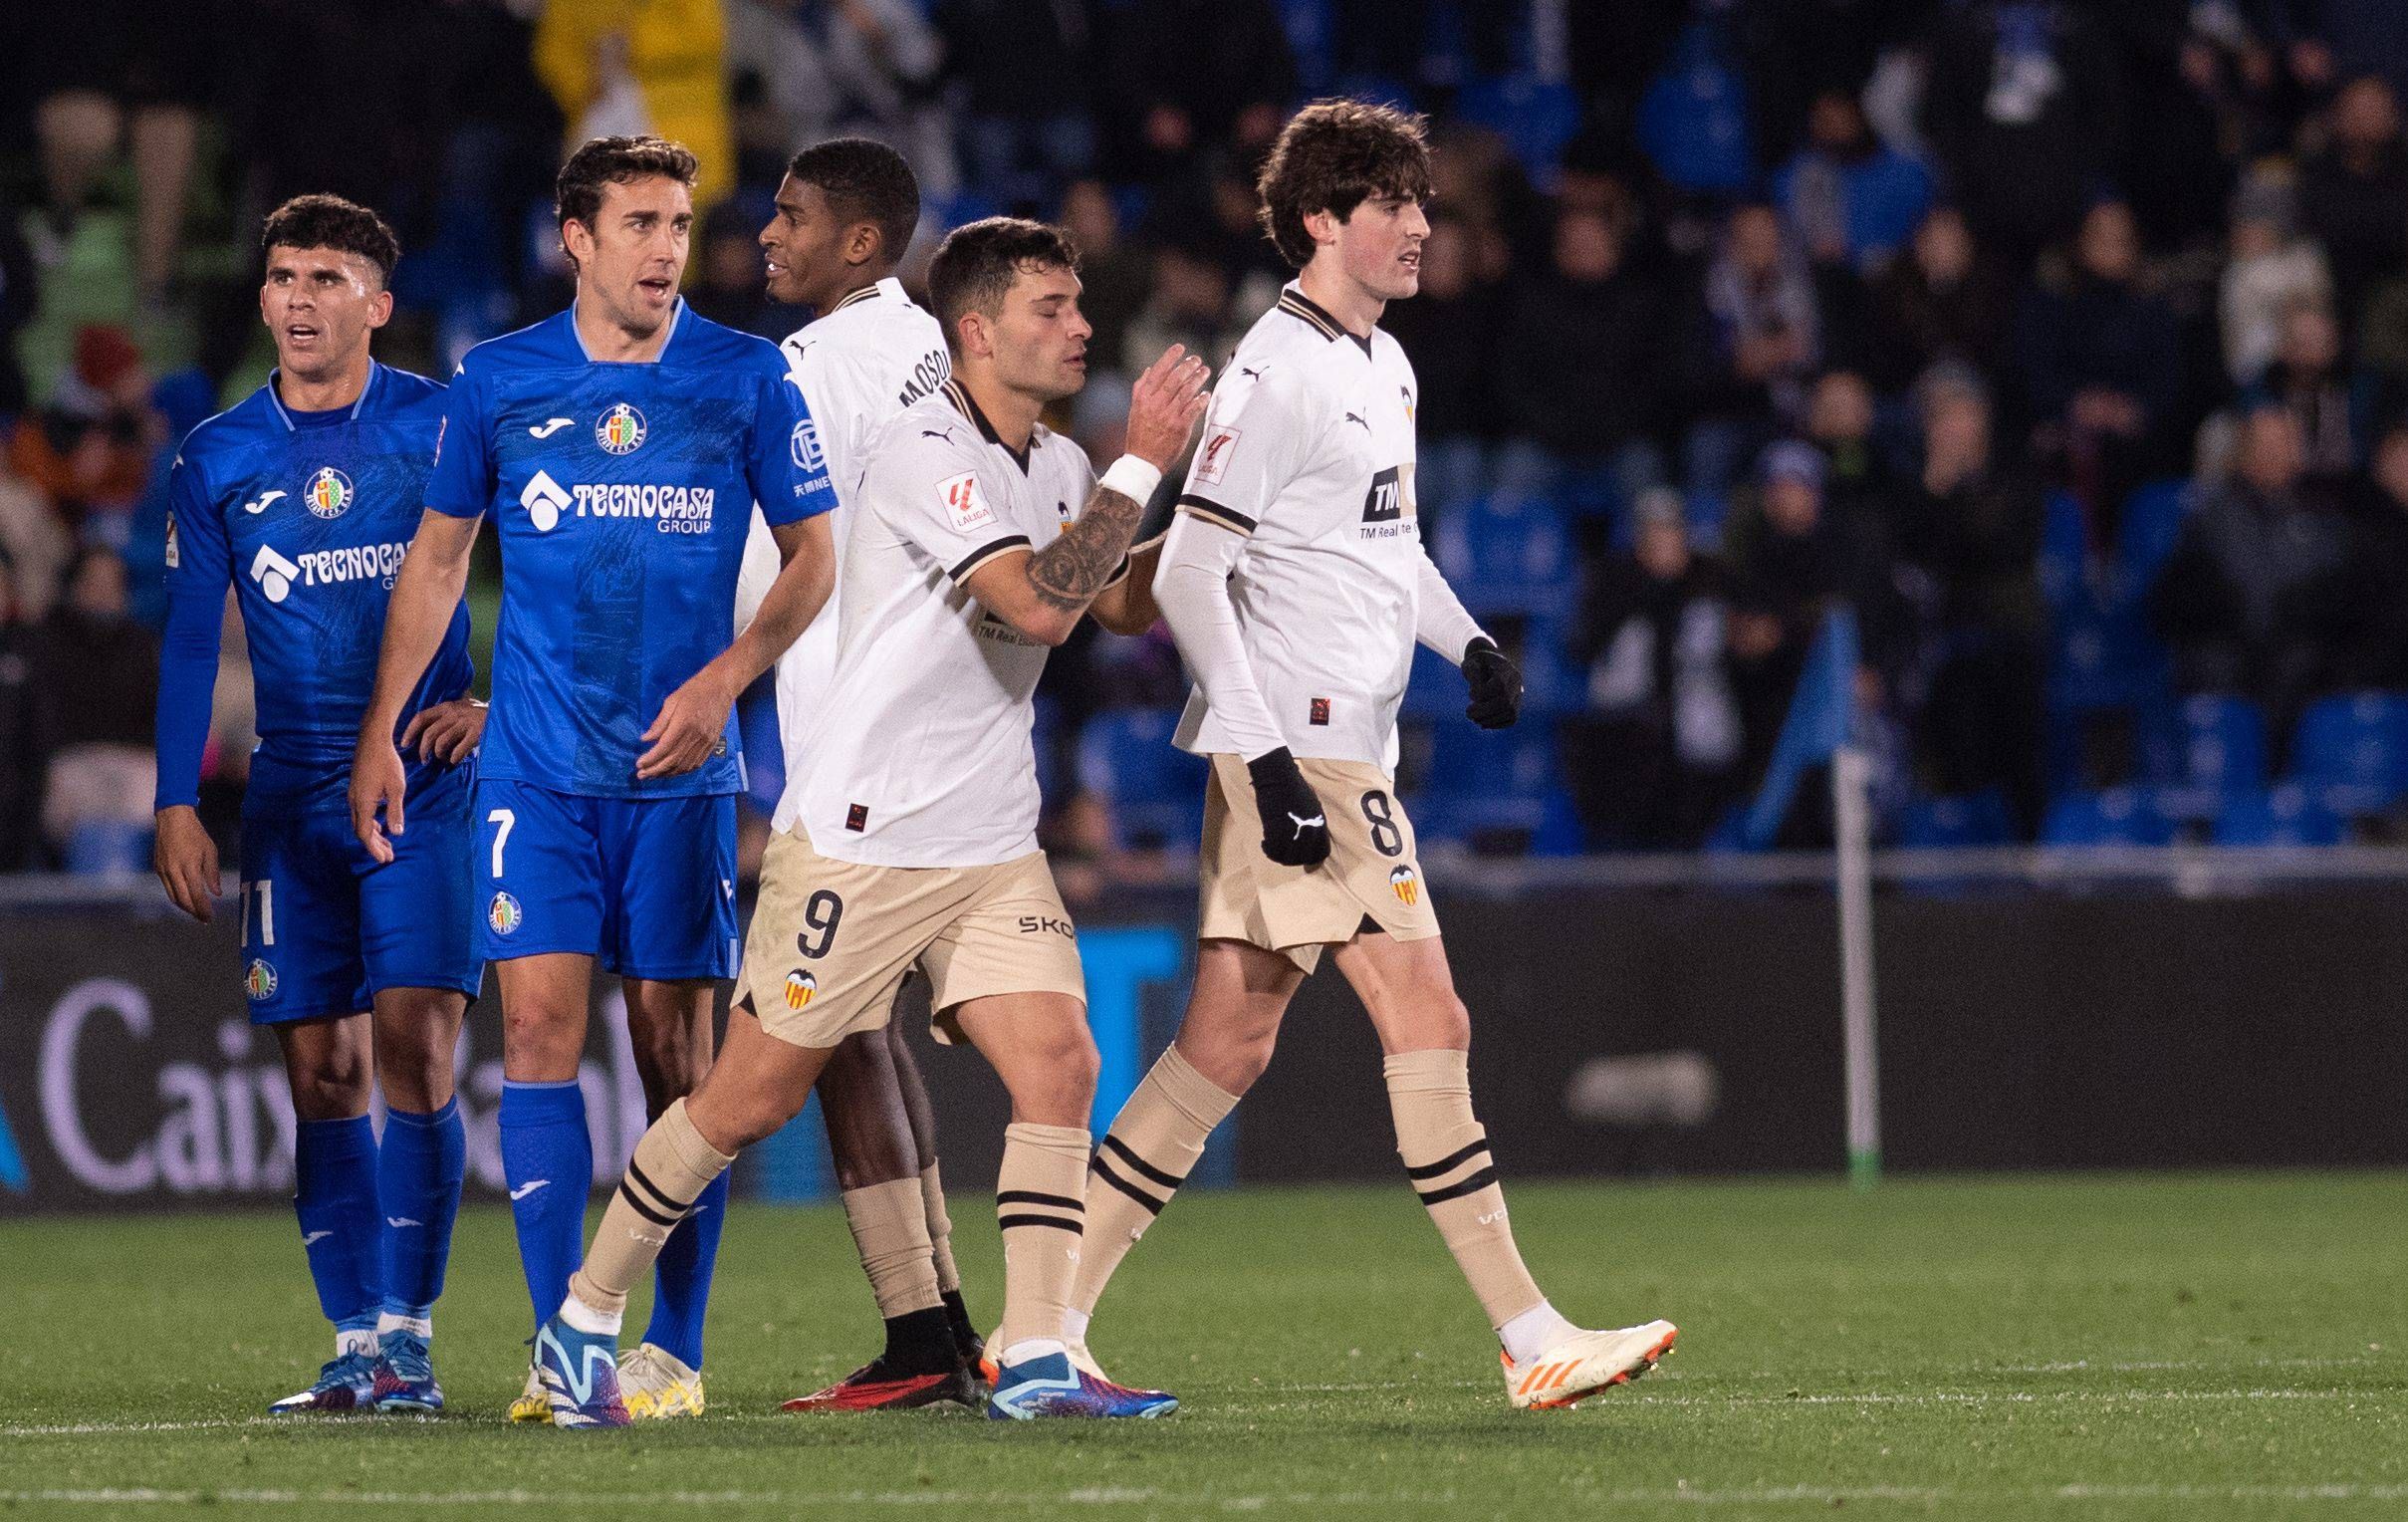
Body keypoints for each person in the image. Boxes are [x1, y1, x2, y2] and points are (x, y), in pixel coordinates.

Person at [529, 217, 1209, 1426]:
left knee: (1061, 1065)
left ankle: (1042, 1353)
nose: (1082, 327)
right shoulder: (918, 451)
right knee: (745, 1102)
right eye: (1053, 307)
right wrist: (1141, 464)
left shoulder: (1055, 465)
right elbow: (1038, 606)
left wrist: (1204, 500)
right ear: (979, 330)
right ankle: (579, 1325)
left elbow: (1117, 605)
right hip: (865, 834)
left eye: (1079, 306)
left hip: (990, 841)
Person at [1068, 100, 1677, 1411]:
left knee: (1223, 1044)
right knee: (1430, 1015)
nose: (1419, 222)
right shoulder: (1272, 371)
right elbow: (1187, 573)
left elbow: (1383, 548)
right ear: (1319, 224)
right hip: (1303, 757)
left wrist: (1465, 644)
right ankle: (1527, 1334)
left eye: (1421, 199)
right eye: (1392, 203)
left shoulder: (1381, 365)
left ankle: (1044, 1318)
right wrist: (1268, 762)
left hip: (1352, 751)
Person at [349, 135, 839, 1423]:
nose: (666, 249)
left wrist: (726, 680)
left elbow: (812, 563)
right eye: (638, 223)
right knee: (541, 1045)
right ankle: (565, 1351)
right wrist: (380, 734)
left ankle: (670, 1351)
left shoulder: (746, 376)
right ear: (576, 237)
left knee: (680, 1059)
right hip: (535, 779)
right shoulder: (496, 383)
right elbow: (439, 569)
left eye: (678, 223)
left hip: (681, 781)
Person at [150, 196, 483, 1413]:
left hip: (422, 783)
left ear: (379, 305)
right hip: (289, 799)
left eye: (328, 278)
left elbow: (548, 574)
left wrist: (498, 707)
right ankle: (353, 1342)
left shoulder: (443, 424)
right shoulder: (218, 455)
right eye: (283, 275)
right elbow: (192, 641)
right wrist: (176, 799)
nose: (297, 297)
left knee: (415, 1049)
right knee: (322, 1075)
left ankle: (410, 1330)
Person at [736, 137, 985, 1412]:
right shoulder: (945, 352)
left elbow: (777, 567)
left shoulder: (812, 367)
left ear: (861, 243)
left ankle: (917, 1337)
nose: (765, 234)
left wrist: (705, 703)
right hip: (953, 747)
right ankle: (947, 1320)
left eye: (790, 216)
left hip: (847, 752)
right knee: (869, 1033)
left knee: (825, 1038)